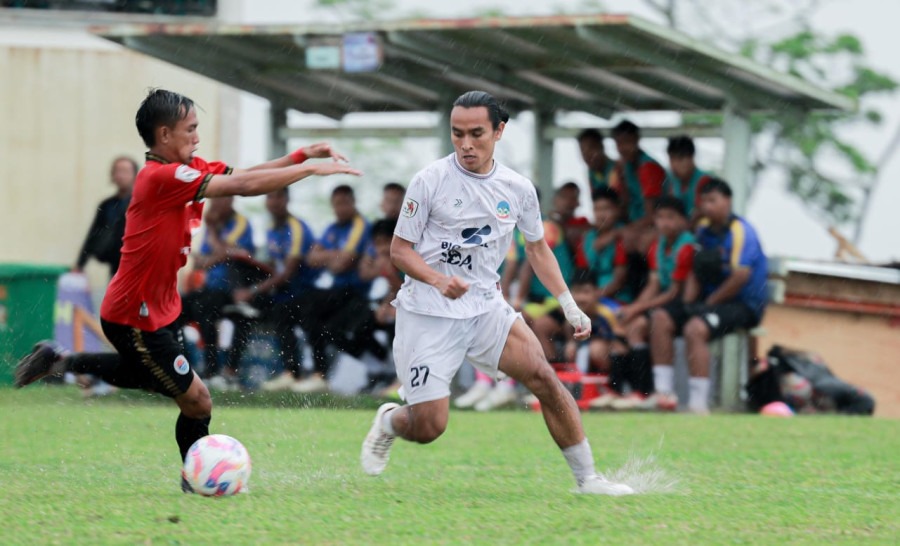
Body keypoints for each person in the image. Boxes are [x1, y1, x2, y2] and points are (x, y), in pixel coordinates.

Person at [14, 88, 360, 492]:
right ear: (164, 135)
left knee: (155, 380)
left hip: (161, 309)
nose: (197, 136)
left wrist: (298, 158)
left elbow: (245, 174)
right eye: (190, 129)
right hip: (134, 315)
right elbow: (245, 188)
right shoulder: (162, 177)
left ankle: (60, 361)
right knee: (197, 399)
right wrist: (310, 171)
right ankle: (197, 480)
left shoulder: (186, 167)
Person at [360, 90, 634, 496]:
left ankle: (588, 479)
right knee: (429, 427)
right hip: (428, 312)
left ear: (499, 131)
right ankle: (389, 421)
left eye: (476, 134)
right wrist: (438, 280)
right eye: (457, 134)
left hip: (486, 306)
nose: (466, 144)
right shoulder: (429, 181)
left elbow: (538, 249)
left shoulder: (518, 189)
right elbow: (400, 251)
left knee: (543, 376)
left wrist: (569, 303)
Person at [647, 179, 768, 413]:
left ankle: (698, 404)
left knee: (695, 328)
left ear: (728, 201)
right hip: (709, 303)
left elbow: (740, 277)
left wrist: (708, 304)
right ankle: (663, 395)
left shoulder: (741, 231)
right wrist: (691, 302)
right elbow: (695, 263)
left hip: (742, 305)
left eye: (713, 200)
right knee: (661, 318)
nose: (708, 206)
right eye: (704, 201)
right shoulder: (701, 228)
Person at [603, 197, 695, 410]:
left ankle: (655, 391)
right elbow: (654, 284)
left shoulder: (687, 246)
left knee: (643, 324)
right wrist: (631, 310)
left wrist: (636, 308)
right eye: (660, 217)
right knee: (628, 324)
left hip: (685, 304)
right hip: (663, 302)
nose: (664, 223)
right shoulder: (658, 244)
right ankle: (628, 390)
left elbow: (674, 292)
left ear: (683, 221)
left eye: (670, 217)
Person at [232, 188, 319, 392]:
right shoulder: (271, 228)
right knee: (236, 311)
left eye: (279, 196)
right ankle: (229, 373)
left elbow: (287, 273)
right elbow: (273, 265)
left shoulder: (297, 228)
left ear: (287, 199)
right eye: (270, 197)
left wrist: (252, 291)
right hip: (282, 293)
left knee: (283, 312)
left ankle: (298, 373)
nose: (274, 202)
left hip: (302, 292)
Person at [297, 185, 374, 393]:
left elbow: (343, 264)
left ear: (352, 203)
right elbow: (311, 258)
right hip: (335, 290)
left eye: (343, 204)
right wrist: (335, 255)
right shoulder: (333, 228)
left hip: (354, 292)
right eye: (335, 205)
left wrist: (330, 257)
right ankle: (317, 374)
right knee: (309, 314)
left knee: (314, 311)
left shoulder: (360, 225)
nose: (339, 209)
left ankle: (320, 373)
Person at [182, 196, 257, 390]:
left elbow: (225, 252)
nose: (214, 205)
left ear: (230, 200)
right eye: (213, 200)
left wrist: (213, 235)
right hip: (209, 288)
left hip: (231, 289)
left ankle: (212, 371)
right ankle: (181, 370)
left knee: (206, 310)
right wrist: (208, 259)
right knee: (178, 309)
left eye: (219, 200)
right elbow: (203, 259)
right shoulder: (212, 226)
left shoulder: (239, 223)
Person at [74, 156, 137, 277]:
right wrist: (80, 264)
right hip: (115, 262)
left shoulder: (142, 203)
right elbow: (94, 233)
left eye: (125, 171)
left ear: (134, 175)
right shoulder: (107, 205)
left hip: (137, 263)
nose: (120, 176)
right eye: (117, 171)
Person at [665, 135, 713, 223]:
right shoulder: (673, 182)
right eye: (672, 159)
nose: (674, 165)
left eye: (680, 159)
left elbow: (699, 216)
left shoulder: (704, 181)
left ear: (692, 158)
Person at [577, 128, 617, 193]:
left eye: (591, 148)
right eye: (583, 150)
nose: (587, 155)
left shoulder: (618, 168)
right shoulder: (591, 172)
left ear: (601, 147)